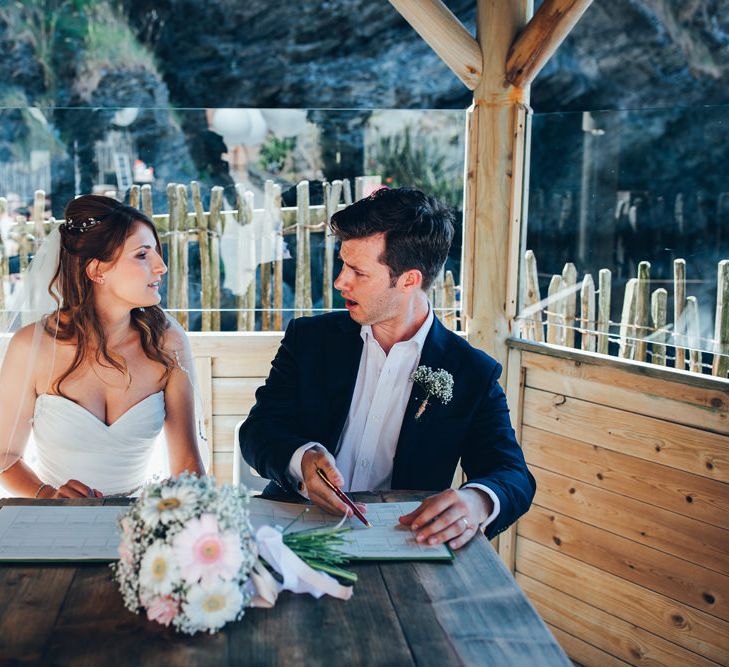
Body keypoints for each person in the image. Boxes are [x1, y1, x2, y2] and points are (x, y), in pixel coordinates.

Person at [240, 187, 535, 549]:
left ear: (409, 280)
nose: (339, 282)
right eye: (342, 263)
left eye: (358, 272)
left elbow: (513, 475)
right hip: (292, 523)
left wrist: (476, 502)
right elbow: (258, 431)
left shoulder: (471, 371)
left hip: (402, 541)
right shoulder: (309, 339)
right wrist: (302, 460)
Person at [0, 195, 206, 498]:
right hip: (55, 524)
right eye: (142, 255)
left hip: (142, 523)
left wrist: (168, 503)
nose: (161, 267)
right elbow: (5, 459)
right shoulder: (31, 346)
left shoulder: (167, 342)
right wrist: (49, 497)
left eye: (156, 254)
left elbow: (189, 465)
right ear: (97, 271)